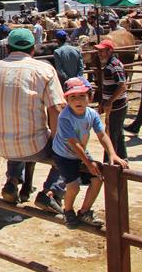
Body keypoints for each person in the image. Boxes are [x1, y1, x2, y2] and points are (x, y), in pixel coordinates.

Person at [0, 28, 66, 214]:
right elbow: (56, 108)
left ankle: (11, 181)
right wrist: (58, 141)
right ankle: (51, 193)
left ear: (8, 48)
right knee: (71, 151)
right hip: (36, 146)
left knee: (15, 133)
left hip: (1, 146)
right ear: (33, 49)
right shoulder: (45, 69)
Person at [52, 78, 128, 229]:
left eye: (82, 96)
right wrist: (88, 163)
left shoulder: (92, 114)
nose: (77, 100)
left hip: (80, 152)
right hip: (64, 155)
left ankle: (85, 211)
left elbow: (102, 135)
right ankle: (68, 211)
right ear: (66, 100)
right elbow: (73, 143)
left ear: (90, 97)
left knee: (98, 179)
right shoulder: (65, 116)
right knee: (73, 186)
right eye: (73, 97)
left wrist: (112, 153)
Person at [94, 39, 128, 161]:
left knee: (111, 134)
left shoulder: (113, 66)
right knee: (117, 133)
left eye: (102, 51)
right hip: (116, 104)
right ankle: (122, 158)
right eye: (99, 51)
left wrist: (109, 101)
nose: (99, 53)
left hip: (117, 106)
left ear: (109, 51)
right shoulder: (111, 65)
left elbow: (122, 86)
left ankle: (109, 161)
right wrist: (104, 101)